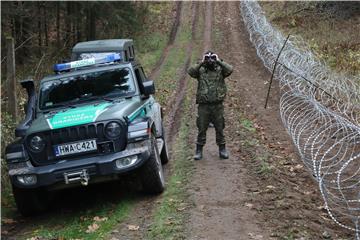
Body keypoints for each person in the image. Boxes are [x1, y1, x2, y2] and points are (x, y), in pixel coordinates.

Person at [187, 51, 233, 160]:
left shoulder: (220, 70)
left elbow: (230, 69)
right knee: (202, 128)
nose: (210, 60)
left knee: (220, 127)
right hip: (204, 106)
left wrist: (218, 61)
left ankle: (222, 149)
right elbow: (190, 71)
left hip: (217, 105)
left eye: (212, 58)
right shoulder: (201, 71)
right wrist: (202, 62)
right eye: (208, 58)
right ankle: (199, 150)